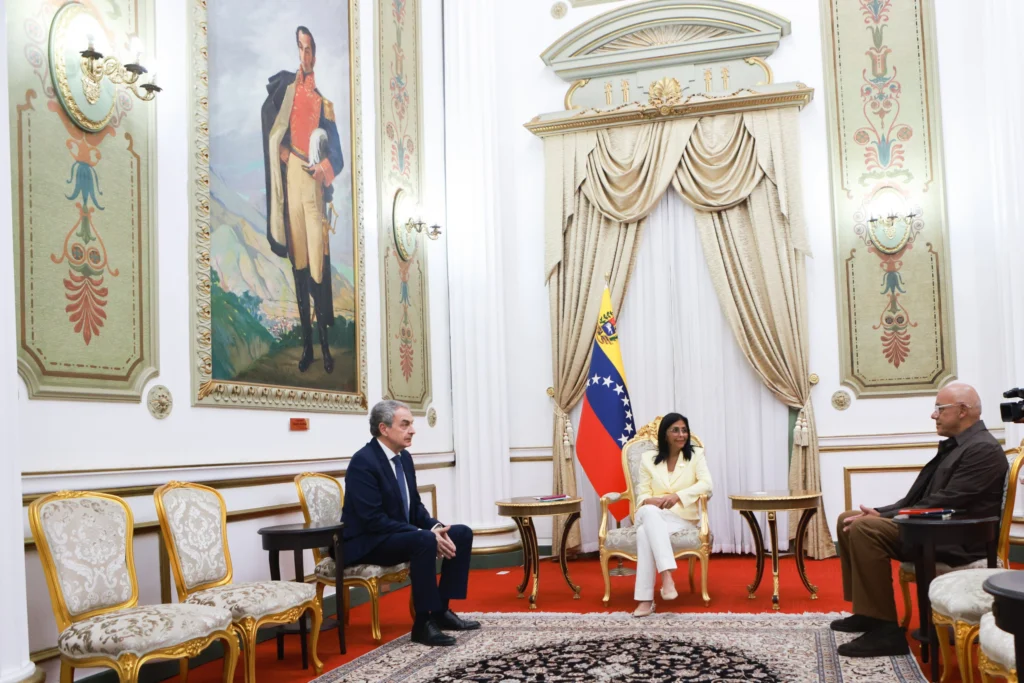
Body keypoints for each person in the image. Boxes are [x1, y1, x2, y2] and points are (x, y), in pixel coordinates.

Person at [832, 382, 1008, 657]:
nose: (933, 415)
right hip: (931, 528)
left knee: (865, 528)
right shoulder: (959, 446)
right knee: (849, 519)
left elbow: (946, 501)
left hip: (955, 539)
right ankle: (867, 612)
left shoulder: (982, 449)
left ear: (962, 411)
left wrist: (884, 518)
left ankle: (886, 631)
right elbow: (913, 501)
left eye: (939, 408)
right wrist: (881, 511)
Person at [341, 400, 478, 646]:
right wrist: (423, 533)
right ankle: (423, 623)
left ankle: (441, 611)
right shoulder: (363, 462)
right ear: (384, 429)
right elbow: (373, 520)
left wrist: (436, 528)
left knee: (461, 533)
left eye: (411, 424)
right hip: (367, 542)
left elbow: (414, 507)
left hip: (395, 535)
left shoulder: (403, 459)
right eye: (405, 425)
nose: (412, 430)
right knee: (423, 539)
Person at [261, 26, 343, 374]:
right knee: (298, 265)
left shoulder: (324, 104)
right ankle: (308, 348)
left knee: (317, 268)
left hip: (313, 186)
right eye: (300, 48)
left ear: (316, 54)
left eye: (309, 49)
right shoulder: (288, 92)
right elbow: (273, 123)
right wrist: (280, 148)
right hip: (292, 178)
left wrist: (323, 169)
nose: (305, 56)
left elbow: (337, 156)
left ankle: (325, 347)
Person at [632, 413, 713, 617]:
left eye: (684, 430)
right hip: (650, 511)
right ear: (665, 434)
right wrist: (652, 501)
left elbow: (707, 485)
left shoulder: (696, 455)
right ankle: (666, 576)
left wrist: (677, 496)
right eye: (675, 430)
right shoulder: (647, 459)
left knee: (643, 534)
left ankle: (645, 600)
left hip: (680, 517)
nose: (681, 434)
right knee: (650, 512)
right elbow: (642, 492)